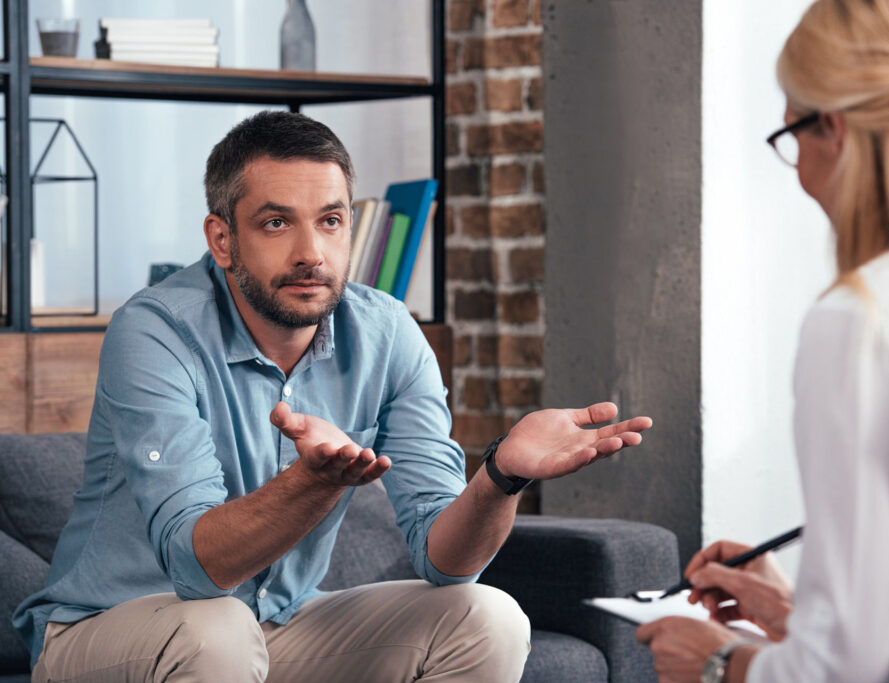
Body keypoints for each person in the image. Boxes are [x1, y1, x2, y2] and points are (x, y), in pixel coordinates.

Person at [13, 110, 653, 682]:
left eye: (331, 221)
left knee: (486, 616)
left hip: (276, 625)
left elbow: (443, 562)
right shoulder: (153, 330)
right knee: (216, 628)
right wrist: (313, 483)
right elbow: (196, 568)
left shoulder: (388, 332)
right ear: (221, 239)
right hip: (105, 634)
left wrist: (501, 476)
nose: (310, 253)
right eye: (275, 223)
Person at [636, 0, 889, 681]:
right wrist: (803, 612)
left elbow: (846, 672)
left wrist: (718, 660)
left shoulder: (870, 318)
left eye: (789, 135)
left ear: (835, 130)